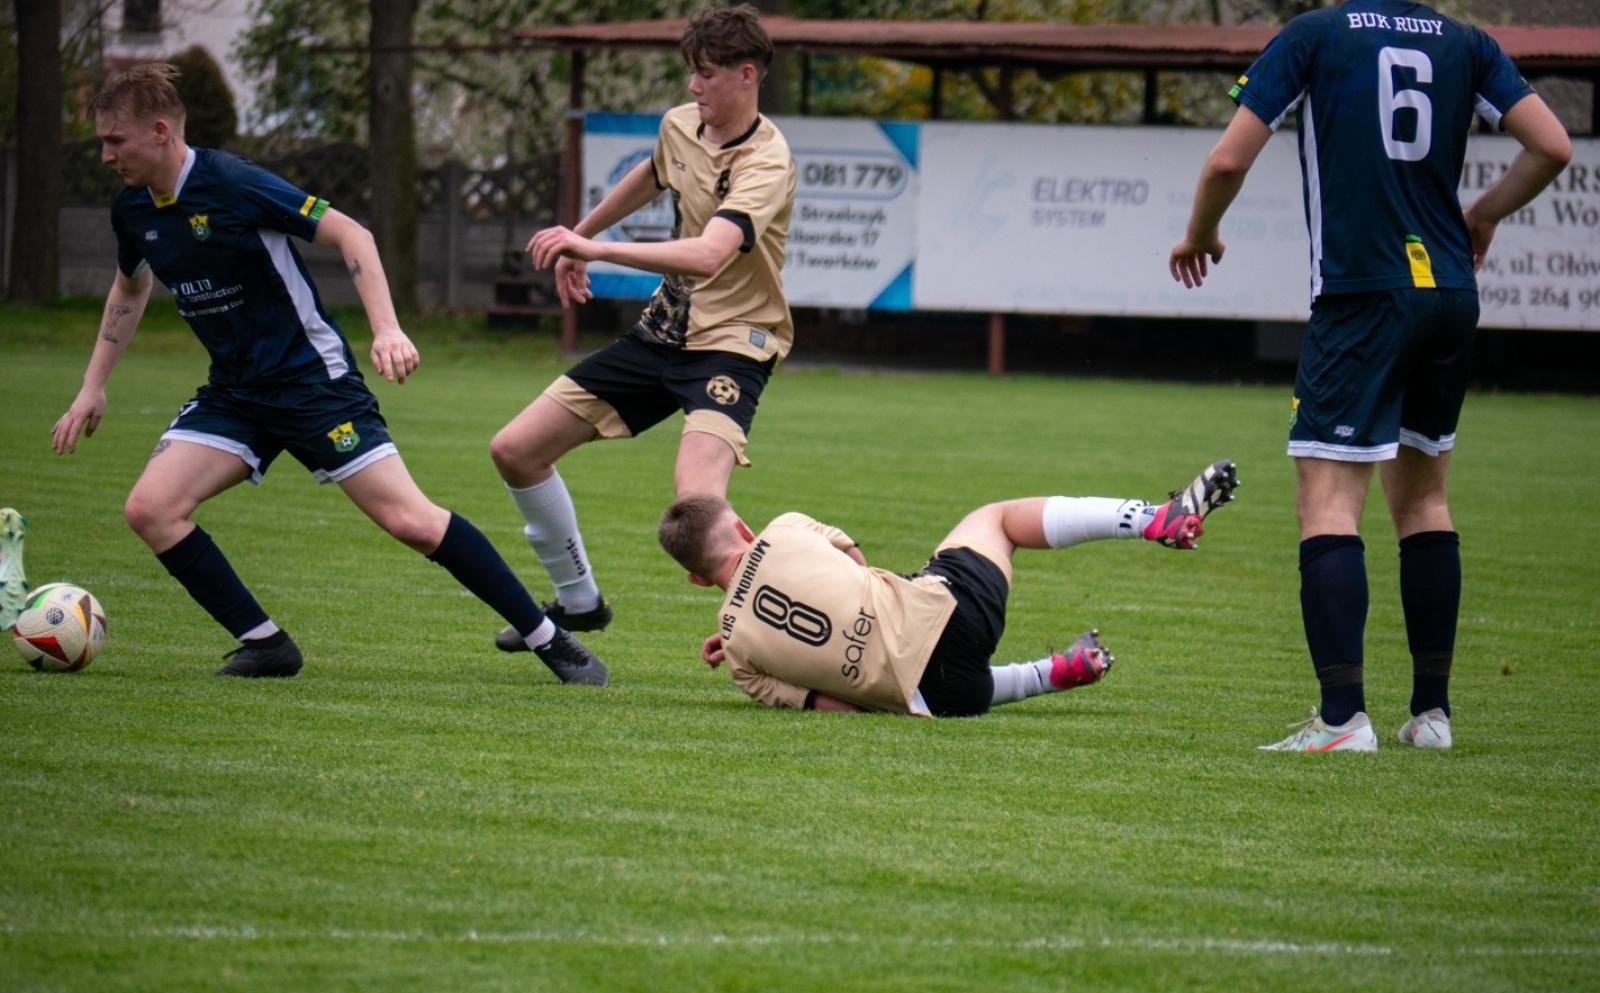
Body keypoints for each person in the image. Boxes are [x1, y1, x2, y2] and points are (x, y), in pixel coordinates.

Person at [50, 63, 607, 684]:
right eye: (102, 141)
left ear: (159, 131)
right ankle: (265, 645)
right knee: (151, 509)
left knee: (411, 522)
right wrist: (91, 386)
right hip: (235, 393)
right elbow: (129, 287)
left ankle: (552, 640)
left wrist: (387, 329)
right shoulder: (132, 209)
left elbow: (352, 234)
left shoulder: (233, 182)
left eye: (114, 141)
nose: (104, 155)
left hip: (313, 381)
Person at [1169, 1, 1571, 752]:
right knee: (1424, 501)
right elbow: (1551, 146)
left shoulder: (1316, 35)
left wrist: (1200, 232)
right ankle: (1432, 716)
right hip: (1448, 293)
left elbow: (1228, 159)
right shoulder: (1467, 41)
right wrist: (1481, 215)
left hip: (1361, 294)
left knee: (1326, 498)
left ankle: (1342, 717)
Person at [487, 3, 795, 651]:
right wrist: (581, 235)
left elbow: (710, 254)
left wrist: (599, 251)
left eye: (706, 74)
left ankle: (775, 634)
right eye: (690, 72)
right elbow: (651, 174)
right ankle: (578, 601)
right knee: (515, 449)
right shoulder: (682, 125)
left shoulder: (768, 162)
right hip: (661, 335)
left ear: (746, 74)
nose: (693, 87)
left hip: (733, 346)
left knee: (697, 513)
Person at [657, 462, 1238, 717]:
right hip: (949, 617)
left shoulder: (737, 659)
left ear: (694, 577)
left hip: (938, 699)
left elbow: (829, 704)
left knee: (945, 686)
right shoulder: (782, 528)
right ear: (741, 528)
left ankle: (1056, 673)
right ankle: (1150, 519)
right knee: (999, 518)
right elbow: (857, 560)